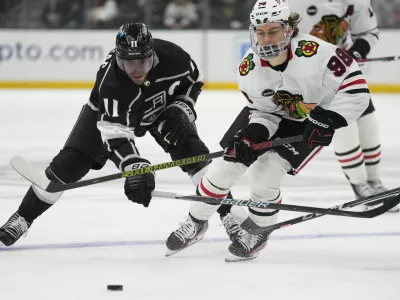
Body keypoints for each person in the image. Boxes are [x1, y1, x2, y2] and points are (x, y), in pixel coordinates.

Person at [166, 0, 370, 262]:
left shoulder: (318, 53)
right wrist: (252, 137)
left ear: (289, 29)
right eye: (260, 32)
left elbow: (355, 88)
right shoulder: (250, 67)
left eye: (272, 30)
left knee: (266, 172)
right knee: (229, 163)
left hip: (313, 120)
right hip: (269, 115)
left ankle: (258, 230)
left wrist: (331, 119)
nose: (265, 38)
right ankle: (196, 220)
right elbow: (263, 112)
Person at [0, 23, 214, 247]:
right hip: (106, 116)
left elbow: (194, 81)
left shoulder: (173, 56)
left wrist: (181, 107)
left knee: (194, 155)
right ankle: (22, 218)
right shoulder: (111, 82)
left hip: (160, 108)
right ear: (119, 59)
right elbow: (115, 133)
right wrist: (134, 167)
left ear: (152, 55)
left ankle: (229, 218)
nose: (137, 70)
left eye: (142, 61)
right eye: (129, 64)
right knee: (67, 166)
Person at [288, 0, 398, 212]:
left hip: (343, 72)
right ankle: (359, 185)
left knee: (368, 125)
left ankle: (375, 183)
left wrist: (355, 53)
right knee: (344, 129)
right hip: (310, 77)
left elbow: (368, 32)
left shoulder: (354, 2)